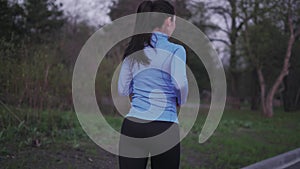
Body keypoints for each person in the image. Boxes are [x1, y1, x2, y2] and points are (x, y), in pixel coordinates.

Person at [117, 1, 188, 169]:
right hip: (165, 128)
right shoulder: (176, 50)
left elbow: (122, 89)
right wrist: (180, 100)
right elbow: (180, 84)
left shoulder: (133, 49)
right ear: (168, 21)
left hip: (133, 126)